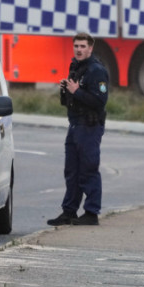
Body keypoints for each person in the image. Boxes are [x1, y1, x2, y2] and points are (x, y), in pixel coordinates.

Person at [47, 32, 109, 227]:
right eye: (76, 46)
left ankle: (91, 213)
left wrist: (77, 92)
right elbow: (70, 101)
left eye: (83, 46)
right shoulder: (75, 67)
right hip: (75, 125)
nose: (79, 50)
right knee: (71, 170)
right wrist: (66, 91)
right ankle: (69, 211)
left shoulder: (96, 71)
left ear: (90, 48)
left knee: (88, 169)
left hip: (89, 126)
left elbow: (100, 100)